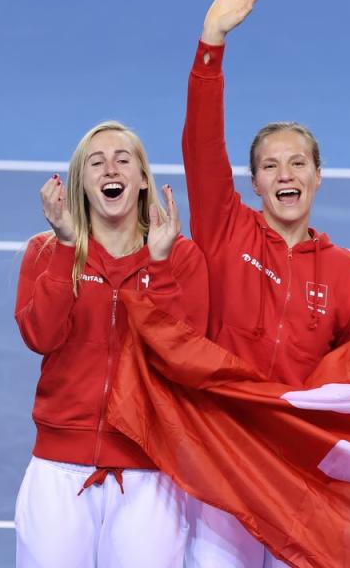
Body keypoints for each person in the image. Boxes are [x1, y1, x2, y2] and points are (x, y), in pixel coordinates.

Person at [182, 0, 350, 567]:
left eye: (298, 164)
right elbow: (201, 145)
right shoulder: (225, 227)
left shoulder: (346, 271)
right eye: (271, 166)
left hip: (296, 473)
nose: (285, 175)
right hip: (224, 457)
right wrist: (211, 44)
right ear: (254, 181)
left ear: (318, 176)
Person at [13, 121, 209, 567]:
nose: (110, 169)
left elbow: (181, 359)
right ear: (80, 181)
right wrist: (66, 247)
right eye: (96, 162)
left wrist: (158, 268)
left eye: (123, 159)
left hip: (150, 471)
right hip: (57, 473)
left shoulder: (180, 257)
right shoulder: (46, 252)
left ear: (142, 179)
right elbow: (40, 336)